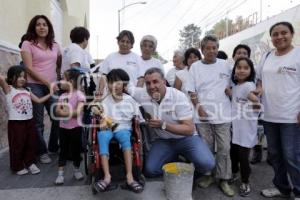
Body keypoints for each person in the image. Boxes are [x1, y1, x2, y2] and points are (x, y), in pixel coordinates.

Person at [130, 67, 215, 179]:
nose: (151, 86)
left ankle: (185, 166)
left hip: (186, 139)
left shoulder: (178, 96)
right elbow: (124, 85)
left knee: (208, 164)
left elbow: (189, 130)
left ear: (164, 82)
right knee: (150, 170)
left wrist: (163, 125)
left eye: (155, 82)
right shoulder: (143, 94)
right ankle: (176, 158)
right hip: (163, 140)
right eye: (148, 83)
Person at [255, 22, 300, 200]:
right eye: (275, 34)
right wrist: (258, 89)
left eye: (284, 33)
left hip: (291, 116)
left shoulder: (298, 55)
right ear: (271, 37)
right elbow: (260, 79)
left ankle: (298, 191)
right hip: (269, 115)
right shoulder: (266, 56)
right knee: (274, 155)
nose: (280, 37)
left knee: (292, 156)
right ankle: (282, 187)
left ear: (292, 34)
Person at [188, 35, 234, 196]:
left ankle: (224, 179)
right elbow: (191, 90)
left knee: (224, 148)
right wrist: (199, 108)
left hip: (223, 114)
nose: (211, 51)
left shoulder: (226, 65)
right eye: (208, 48)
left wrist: (232, 91)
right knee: (206, 148)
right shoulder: (195, 67)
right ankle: (208, 175)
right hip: (203, 115)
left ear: (217, 48)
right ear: (202, 50)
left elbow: (235, 82)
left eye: (214, 48)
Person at [93, 69, 144, 193]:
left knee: (125, 138)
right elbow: (99, 114)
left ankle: (129, 176)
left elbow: (139, 118)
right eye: (110, 82)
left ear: (125, 85)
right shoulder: (105, 100)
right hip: (109, 127)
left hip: (124, 128)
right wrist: (101, 120)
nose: (113, 85)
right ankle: (106, 176)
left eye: (117, 82)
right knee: (102, 136)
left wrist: (140, 120)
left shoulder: (130, 100)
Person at [21, 15, 61, 163]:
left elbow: (59, 64)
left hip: (51, 85)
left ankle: (53, 147)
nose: (42, 27)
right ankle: (41, 151)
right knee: (38, 121)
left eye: (45, 24)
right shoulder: (27, 44)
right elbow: (29, 69)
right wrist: (47, 82)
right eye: (38, 25)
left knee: (58, 117)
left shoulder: (55, 45)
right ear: (34, 27)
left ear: (49, 27)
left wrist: (58, 79)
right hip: (34, 85)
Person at [0, 65, 53, 175]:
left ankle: (30, 163)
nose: (22, 79)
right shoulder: (9, 89)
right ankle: (17, 166)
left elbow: (38, 100)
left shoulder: (27, 90)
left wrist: (50, 94)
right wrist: (9, 79)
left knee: (31, 143)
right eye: (19, 76)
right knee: (18, 145)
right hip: (16, 123)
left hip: (29, 121)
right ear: (11, 78)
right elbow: (1, 78)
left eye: (24, 77)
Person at [228, 58, 259, 196]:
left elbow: (256, 104)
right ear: (234, 70)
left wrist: (255, 99)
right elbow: (235, 100)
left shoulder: (249, 85)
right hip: (236, 128)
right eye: (239, 67)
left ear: (251, 70)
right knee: (233, 154)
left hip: (246, 129)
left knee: (243, 157)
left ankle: (245, 182)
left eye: (246, 68)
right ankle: (234, 173)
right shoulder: (236, 86)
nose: (241, 70)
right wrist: (230, 93)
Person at [54, 69, 86, 185]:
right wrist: (66, 113)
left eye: (63, 78)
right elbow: (57, 111)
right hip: (63, 128)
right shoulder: (62, 96)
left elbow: (78, 112)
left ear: (71, 81)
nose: (60, 81)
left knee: (75, 150)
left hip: (76, 128)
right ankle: (60, 174)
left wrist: (64, 113)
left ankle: (76, 169)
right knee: (63, 150)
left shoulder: (79, 95)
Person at [98, 30, 143, 97]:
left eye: (128, 42)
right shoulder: (110, 57)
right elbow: (103, 76)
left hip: (131, 96)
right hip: (112, 95)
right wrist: (100, 91)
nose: (125, 44)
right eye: (122, 41)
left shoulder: (137, 58)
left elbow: (141, 79)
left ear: (132, 45)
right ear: (118, 42)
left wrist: (137, 94)